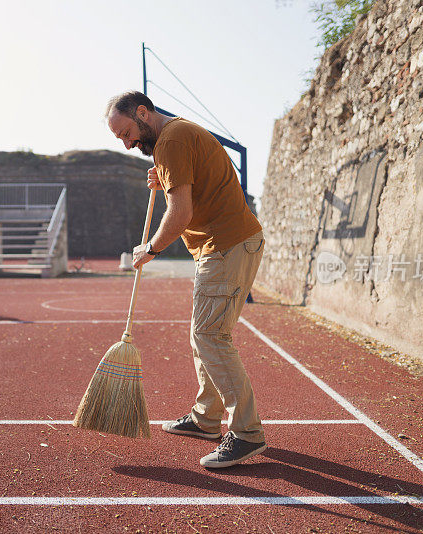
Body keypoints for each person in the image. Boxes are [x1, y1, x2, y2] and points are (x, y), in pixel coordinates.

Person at [105, 91, 266, 468]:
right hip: (222, 245)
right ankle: (206, 419)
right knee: (203, 334)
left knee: (211, 336)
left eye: (127, 133)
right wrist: (164, 177)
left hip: (226, 245)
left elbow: (180, 213)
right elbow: (194, 184)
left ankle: (246, 433)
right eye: (121, 140)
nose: (128, 145)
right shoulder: (174, 139)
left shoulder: (172, 141)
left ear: (143, 113)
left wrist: (152, 249)